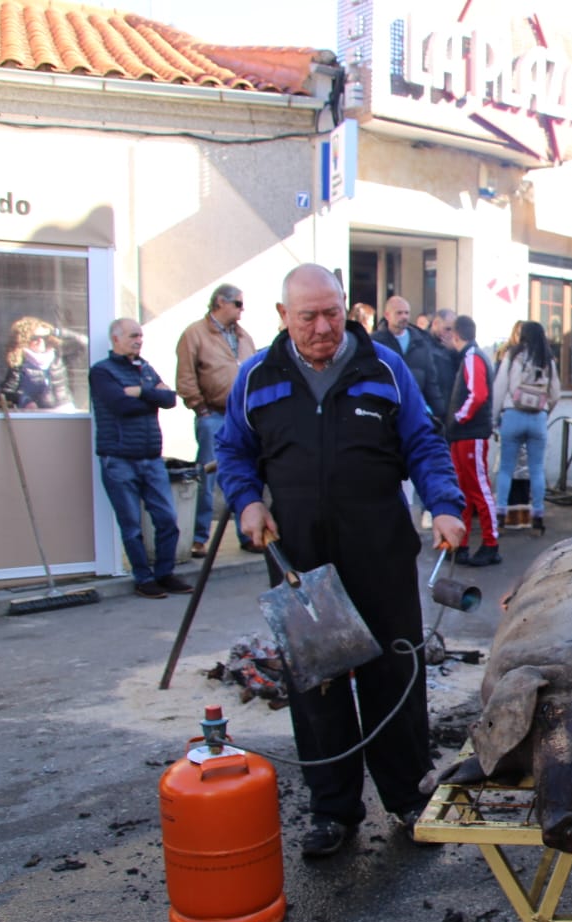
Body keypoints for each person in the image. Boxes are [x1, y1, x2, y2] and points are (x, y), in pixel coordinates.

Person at [215, 264, 465, 858]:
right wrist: (248, 502)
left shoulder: (385, 368)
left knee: (395, 677)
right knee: (318, 686)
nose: (324, 327)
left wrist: (446, 504)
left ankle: (408, 797)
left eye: (333, 313)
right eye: (309, 317)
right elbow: (232, 450)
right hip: (300, 559)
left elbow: (423, 442)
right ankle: (333, 810)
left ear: (346, 308)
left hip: (379, 549)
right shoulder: (256, 378)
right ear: (283, 317)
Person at [89, 319, 193, 600]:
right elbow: (120, 405)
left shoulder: (144, 368)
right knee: (132, 525)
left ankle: (164, 573)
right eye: (133, 336)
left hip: (151, 458)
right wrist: (151, 396)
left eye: (141, 336)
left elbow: (170, 399)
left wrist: (141, 392)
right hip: (119, 459)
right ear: (116, 338)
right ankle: (143, 578)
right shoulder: (102, 372)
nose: (139, 341)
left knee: (168, 519)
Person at [175, 284, 256, 557]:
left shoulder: (244, 337)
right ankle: (200, 537)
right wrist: (200, 409)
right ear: (220, 302)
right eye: (237, 304)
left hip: (241, 416)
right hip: (212, 414)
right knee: (208, 476)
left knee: (243, 473)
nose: (241, 310)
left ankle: (247, 533)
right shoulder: (195, 334)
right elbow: (185, 377)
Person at [491, 320, 558, 536]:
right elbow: (555, 392)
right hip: (537, 417)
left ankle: (500, 515)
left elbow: (500, 387)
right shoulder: (548, 358)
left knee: (506, 469)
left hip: (512, 415)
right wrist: (545, 410)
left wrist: (494, 418)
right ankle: (537, 517)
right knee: (536, 469)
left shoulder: (513, 355)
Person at [442, 315, 499, 566]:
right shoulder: (471, 356)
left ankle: (491, 543)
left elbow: (478, 395)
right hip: (464, 434)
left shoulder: (472, 357)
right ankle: (462, 545)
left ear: (456, 335)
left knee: (478, 490)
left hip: (470, 434)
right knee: (464, 490)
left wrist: (457, 419)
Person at [372, 296, 447, 422]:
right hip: (385, 413)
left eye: (407, 313)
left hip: (415, 412)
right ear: (387, 315)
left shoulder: (421, 342)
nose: (404, 317)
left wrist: (438, 412)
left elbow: (431, 381)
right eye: (399, 313)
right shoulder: (376, 343)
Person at [2, 316, 74, 411]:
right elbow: (7, 391)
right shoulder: (20, 364)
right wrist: (25, 401)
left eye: (44, 337)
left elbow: (83, 342)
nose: (40, 341)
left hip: (65, 411)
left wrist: (55, 331)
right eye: (35, 338)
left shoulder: (57, 357)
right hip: (39, 414)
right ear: (25, 340)